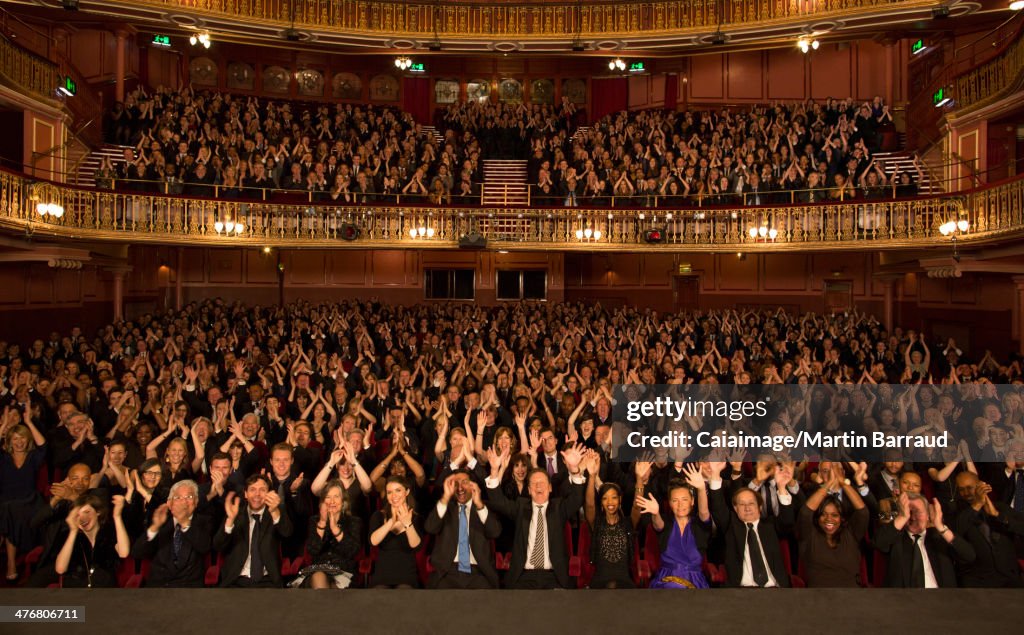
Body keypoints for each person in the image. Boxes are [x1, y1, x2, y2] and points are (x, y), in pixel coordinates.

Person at [484, 444, 585, 589]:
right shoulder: (520, 507)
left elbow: (577, 498)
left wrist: (575, 470)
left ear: (550, 488)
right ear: (529, 490)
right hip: (523, 576)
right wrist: (494, 470)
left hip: (554, 576)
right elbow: (498, 501)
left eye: (542, 483)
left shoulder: (558, 508)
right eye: (534, 484)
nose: (538, 487)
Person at [708, 460, 794, 587]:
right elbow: (718, 507)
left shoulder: (770, 526)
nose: (747, 508)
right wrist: (715, 474)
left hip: (775, 590)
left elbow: (787, 521)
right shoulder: (731, 526)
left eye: (751, 503)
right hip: (741, 594)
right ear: (735, 509)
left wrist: (781, 487)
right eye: (742, 504)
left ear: (760, 507)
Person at [874, 492, 975, 587]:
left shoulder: (939, 537)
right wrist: (903, 517)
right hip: (904, 601)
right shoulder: (895, 538)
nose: (913, 517)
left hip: (941, 599)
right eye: (909, 512)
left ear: (928, 515)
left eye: (917, 512)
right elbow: (879, 543)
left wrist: (940, 527)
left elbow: (969, 556)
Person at [637, 464, 712, 589]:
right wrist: (655, 513)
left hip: (695, 581)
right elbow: (658, 524)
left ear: (692, 501)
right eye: (675, 500)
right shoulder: (666, 523)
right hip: (667, 580)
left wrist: (701, 488)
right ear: (670, 503)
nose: (680, 505)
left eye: (684, 499)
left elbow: (704, 513)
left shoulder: (699, 525)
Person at [424, 470, 500, 589]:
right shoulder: (445, 508)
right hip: (447, 572)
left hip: (478, 573)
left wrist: (479, 505)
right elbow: (430, 528)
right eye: (456, 483)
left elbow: (495, 532)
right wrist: (445, 497)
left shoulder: (483, 508)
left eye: (464, 482)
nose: (460, 487)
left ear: (473, 485)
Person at [797, 464, 869, 587]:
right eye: (823, 514)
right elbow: (805, 512)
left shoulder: (851, 534)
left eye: (834, 515)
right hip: (818, 599)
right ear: (817, 517)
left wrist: (842, 483)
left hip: (851, 597)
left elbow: (862, 512)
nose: (829, 519)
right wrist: (828, 484)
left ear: (841, 518)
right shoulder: (809, 535)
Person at [130, 479, 212, 587]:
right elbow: (137, 553)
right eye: (178, 497)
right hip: (159, 587)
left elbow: (204, 546)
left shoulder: (205, 521)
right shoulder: (160, 521)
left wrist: (184, 521)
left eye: (189, 497)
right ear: (169, 503)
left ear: (196, 502)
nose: (184, 502)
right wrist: (154, 527)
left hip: (189, 588)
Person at [214, 474, 293, 587]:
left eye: (262, 490)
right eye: (252, 490)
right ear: (245, 494)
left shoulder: (275, 512)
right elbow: (218, 546)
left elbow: (287, 535)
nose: (257, 494)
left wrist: (275, 511)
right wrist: (230, 520)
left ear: (269, 493)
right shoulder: (235, 513)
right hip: (236, 580)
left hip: (268, 581)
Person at [952, 471, 1024, 587]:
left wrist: (997, 515)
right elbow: (957, 531)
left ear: (980, 485)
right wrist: (977, 504)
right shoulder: (957, 513)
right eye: (961, 489)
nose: (966, 493)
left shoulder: (1001, 507)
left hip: (1009, 577)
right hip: (977, 580)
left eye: (969, 487)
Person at [0, 410, 47, 581]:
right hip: (6, 500)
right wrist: (4, 425)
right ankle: (11, 563)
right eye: (15, 439)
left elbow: (43, 445)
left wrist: (28, 421)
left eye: (22, 438)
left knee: (8, 511)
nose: (19, 442)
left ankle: (11, 563)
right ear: (10, 441)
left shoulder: (33, 456)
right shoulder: (3, 457)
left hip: (29, 501)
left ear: (28, 440)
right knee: (7, 510)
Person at [292, 479, 361, 589]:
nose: (332, 501)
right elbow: (313, 549)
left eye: (336, 497)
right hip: (317, 571)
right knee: (319, 577)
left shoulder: (353, 521)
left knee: (333, 588)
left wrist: (335, 529)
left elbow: (351, 551)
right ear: (323, 501)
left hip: (343, 572)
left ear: (343, 500)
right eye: (328, 497)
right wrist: (323, 523)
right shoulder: (315, 521)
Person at [582, 451, 635, 588]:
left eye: (614, 497)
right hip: (600, 582)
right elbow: (589, 504)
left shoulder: (628, 523)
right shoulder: (597, 522)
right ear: (601, 502)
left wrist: (640, 479)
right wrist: (592, 476)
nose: (609, 502)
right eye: (605, 498)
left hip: (625, 582)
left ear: (620, 500)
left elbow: (636, 507)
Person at [54, 493, 130, 587]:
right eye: (78, 515)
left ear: (98, 512)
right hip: (76, 593)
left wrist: (117, 516)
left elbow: (124, 552)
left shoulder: (110, 532)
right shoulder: (67, 536)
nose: (82, 518)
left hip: (105, 592)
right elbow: (60, 569)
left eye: (87, 512)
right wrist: (73, 531)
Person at [368, 475, 421, 588]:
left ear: (407, 492)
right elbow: (373, 541)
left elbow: (416, 546)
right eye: (389, 492)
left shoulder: (416, 518)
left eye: (398, 490)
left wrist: (407, 524)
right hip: (382, 575)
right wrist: (391, 521)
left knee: (403, 593)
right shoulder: (378, 516)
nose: (394, 496)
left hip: (406, 576)